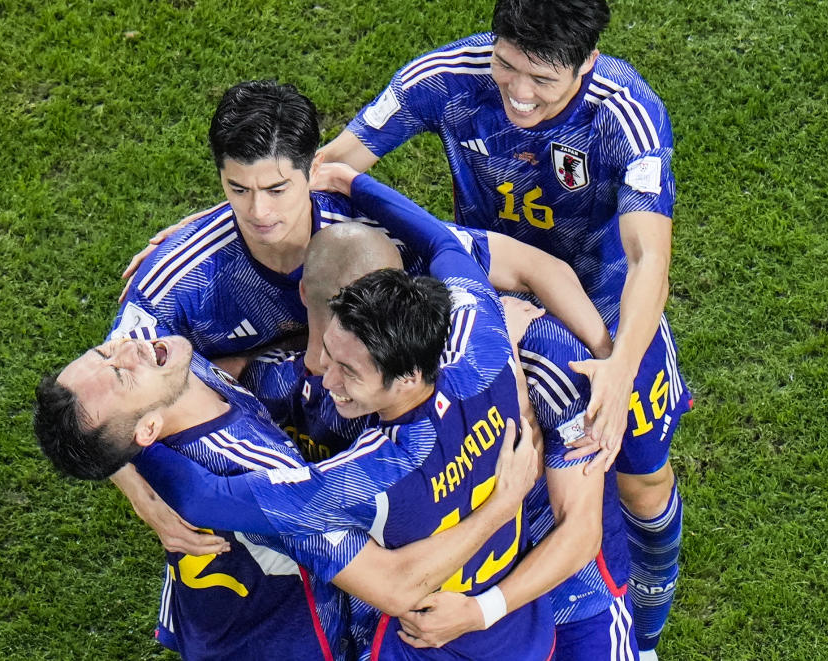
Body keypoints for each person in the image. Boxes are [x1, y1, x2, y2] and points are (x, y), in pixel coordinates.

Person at [319, 1, 690, 654]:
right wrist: (211, 224)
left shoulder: (624, 112)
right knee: (490, 469)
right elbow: (331, 167)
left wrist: (619, 364)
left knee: (641, 484)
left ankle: (646, 631)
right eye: (505, 66)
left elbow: (646, 257)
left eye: (541, 80)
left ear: (587, 65)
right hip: (496, 309)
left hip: (606, 334)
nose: (517, 93)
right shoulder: (444, 76)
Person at [112, 79, 613, 557]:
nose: (259, 211)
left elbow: (536, 267)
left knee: (540, 346)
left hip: (380, 393)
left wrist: (610, 362)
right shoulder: (177, 279)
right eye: (237, 189)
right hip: (282, 404)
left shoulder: (366, 234)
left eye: (277, 188)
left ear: (312, 170)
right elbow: (97, 392)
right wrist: (140, 488)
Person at [129, 174, 558, 659]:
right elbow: (441, 241)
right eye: (331, 354)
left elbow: (206, 496)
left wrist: (129, 443)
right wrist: (351, 180)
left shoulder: (372, 473)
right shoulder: (484, 344)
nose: (326, 380)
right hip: (521, 636)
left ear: (408, 379)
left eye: (349, 372)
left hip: (420, 643)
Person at [34, 333, 537, 660]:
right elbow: (395, 586)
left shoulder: (166, 380)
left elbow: (97, 435)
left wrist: (126, 473)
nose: (128, 346)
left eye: (102, 351)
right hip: (277, 641)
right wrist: (502, 503)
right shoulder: (258, 479)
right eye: (122, 373)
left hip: (214, 612)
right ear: (147, 428)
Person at [398, 303, 637, 659]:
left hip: (571, 585)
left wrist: (482, 611)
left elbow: (580, 533)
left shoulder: (549, 357)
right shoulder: (385, 382)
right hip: (466, 608)